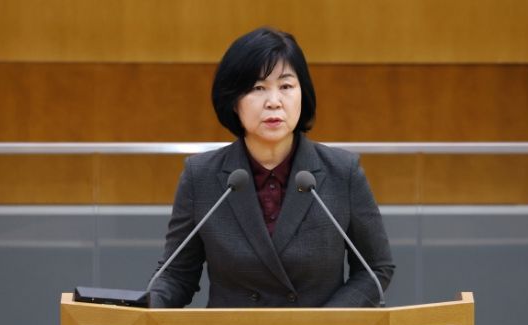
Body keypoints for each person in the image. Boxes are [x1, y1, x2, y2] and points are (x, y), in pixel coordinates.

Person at [149, 27, 394, 308]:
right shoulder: (201, 176)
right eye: (258, 88)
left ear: (303, 94)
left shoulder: (343, 172)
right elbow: (177, 275)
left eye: (286, 86)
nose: (274, 102)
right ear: (233, 101)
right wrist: (147, 307)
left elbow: (375, 269)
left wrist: (325, 324)